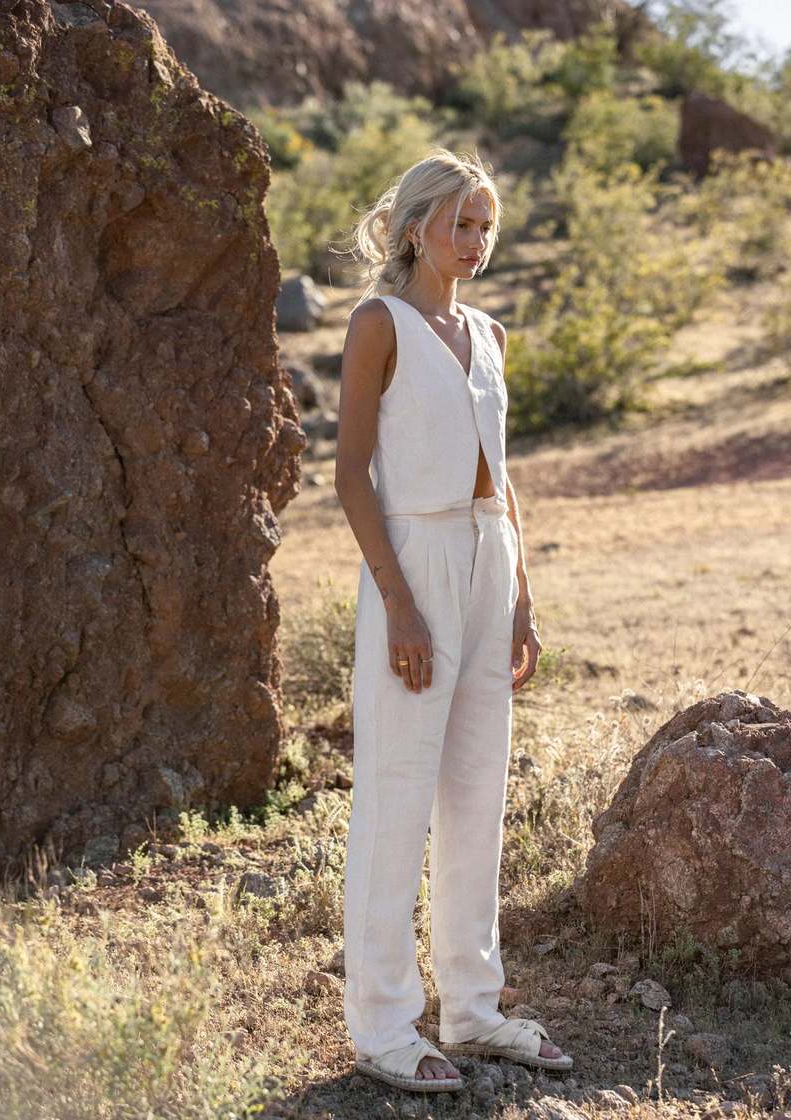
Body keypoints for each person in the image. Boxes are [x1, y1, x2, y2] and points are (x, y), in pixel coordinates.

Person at [333, 148, 573, 1094]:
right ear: (414, 228)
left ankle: (475, 1008)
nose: (475, 241)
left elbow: (502, 481)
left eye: (486, 226)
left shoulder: (489, 332)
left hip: (489, 562)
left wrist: (523, 600)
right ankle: (384, 1026)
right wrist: (399, 601)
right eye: (459, 224)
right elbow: (351, 477)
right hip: (416, 560)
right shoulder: (378, 324)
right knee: (397, 793)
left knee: (477, 793)